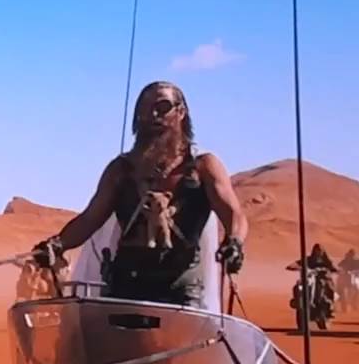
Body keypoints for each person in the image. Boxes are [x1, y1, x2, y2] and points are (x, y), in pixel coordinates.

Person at [31, 81, 249, 308]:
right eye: (145, 109)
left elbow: (234, 214)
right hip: (125, 285)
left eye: (163, 107)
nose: (153, 115)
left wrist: (234, 242)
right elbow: (90, 219)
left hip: (181, 290)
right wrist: (57, 245)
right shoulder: (120, 170)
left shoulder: (203, 167)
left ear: (181, 112)